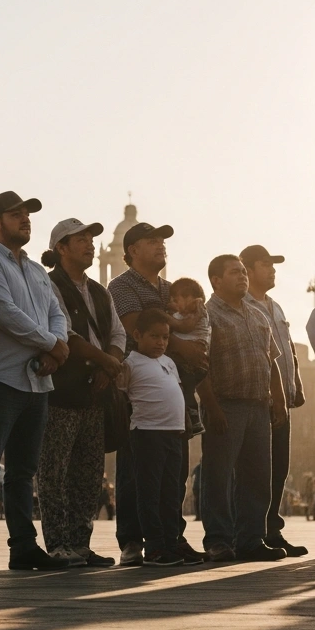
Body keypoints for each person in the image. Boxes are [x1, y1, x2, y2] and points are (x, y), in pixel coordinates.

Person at [0, 191, 70, 573]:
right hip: (1, 378)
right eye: (15, 214)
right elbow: (6, 315)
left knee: (23, 471)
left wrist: (55, 348)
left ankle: (23, 546)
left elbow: (58, 314)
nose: (25, 219)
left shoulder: (37, 270)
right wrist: (53, 345)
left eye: (27, 214)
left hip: (37, 380)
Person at [107, 222, 207, 566]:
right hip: (141, 394)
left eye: (163, 242)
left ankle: (169, 537)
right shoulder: (121, 286)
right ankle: (133, 540)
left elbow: (194, 319)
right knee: (137, 473)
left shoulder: (169, 288)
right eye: (153, 241)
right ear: (133, 250)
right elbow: (134, 325)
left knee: (172, 474)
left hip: (174, 388)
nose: (161, 246)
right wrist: (183, 345)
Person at [38, 218, 124, 567]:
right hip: (63, 390)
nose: (89, 245)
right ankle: (58, 543)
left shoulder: (101, 292)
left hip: (95, 393)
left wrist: (109, 365)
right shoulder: (50, 286)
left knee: (88, 472)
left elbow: (118, 335)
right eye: (81, 240)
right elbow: (64, 333)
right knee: (55, 470)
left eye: (92, 240)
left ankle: (80, 543)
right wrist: (104, 361)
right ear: (61, 248)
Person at [196, 255, 287, 562]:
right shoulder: (207, 316)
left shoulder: (258, 314)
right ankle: (219, 539)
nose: (243, 277)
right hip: (226, 406)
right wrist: (211, 407)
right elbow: (201, 367)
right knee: (218, 476)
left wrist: (280, 400)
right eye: (235, 272)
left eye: (244, 272)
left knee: (258, 477)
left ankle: (251, 539)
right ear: (216, 280)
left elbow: (271, 359)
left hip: (259, 406)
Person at [241, 244, 309, 557]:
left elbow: (286, 350)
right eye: (265, 264)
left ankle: (271, 529)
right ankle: (247, 533)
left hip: (283, 400)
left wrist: (295, 384)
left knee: (278, 468)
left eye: (273, 265)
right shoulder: (240, 306)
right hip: (257, 401)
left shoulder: (276, 306)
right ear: (248, 270)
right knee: (254, 471)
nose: (272, 270)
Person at [124, 309, 188, 566]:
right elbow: (121, 396)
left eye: (165, 337)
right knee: (150, 491)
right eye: (154, 336)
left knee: (171, 491)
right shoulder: (131, 363)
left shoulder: (168, 362)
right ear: (137, 335)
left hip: (173, 433)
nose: (160, 342)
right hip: (147, 433)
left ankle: (171, 543)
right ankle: (153, 546)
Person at [166, 278, 208, 438]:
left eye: (176, 300)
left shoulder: (196, 307)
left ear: (190, 297)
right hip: (194, 360)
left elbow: (184, 325)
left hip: (192, 359)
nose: (173, 304)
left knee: (183, 387)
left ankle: (193, 419)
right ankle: (192, 419)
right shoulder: (190, 310)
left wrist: (164, 316)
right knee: (186, 389)